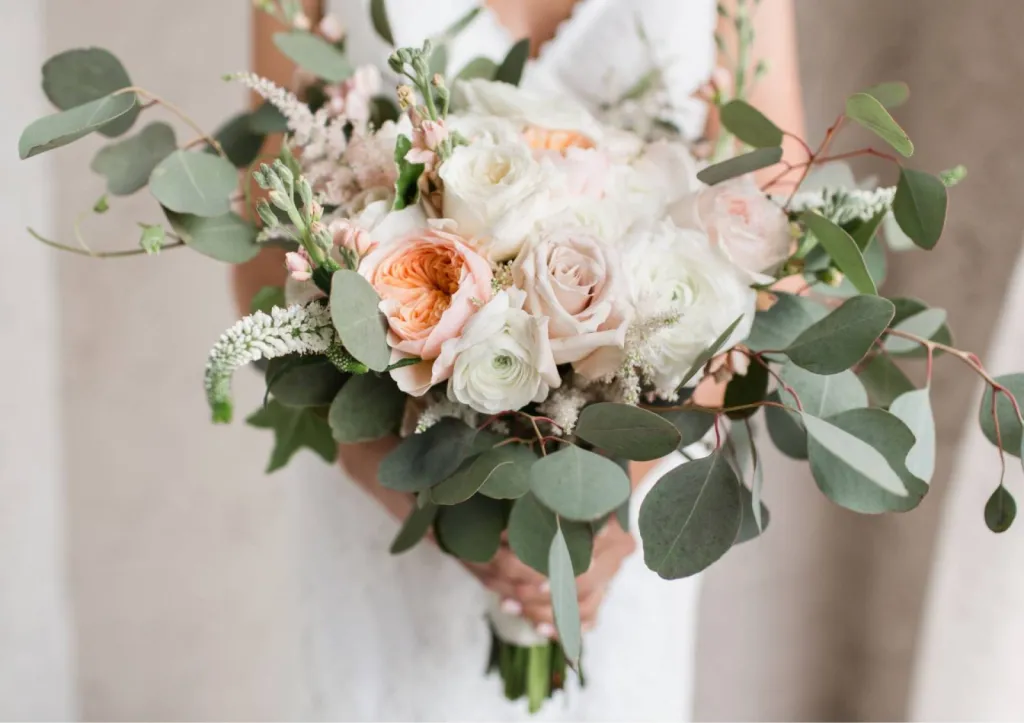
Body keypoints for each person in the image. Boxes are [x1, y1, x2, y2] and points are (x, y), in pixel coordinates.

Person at [235, 1, 804, 718]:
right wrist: (404, 489)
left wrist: (616, 492)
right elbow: (265, 230)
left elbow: (780, 230)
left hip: (631, 506)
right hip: (394, 484)